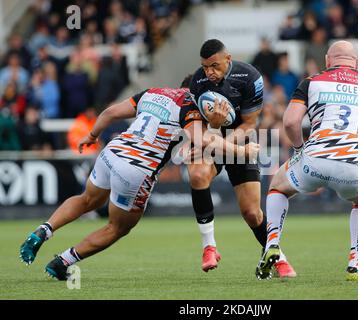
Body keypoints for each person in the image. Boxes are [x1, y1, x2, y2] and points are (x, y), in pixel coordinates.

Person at [19, 77, 258, 280]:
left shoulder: (153, 93)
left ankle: (44, 230)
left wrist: (92, 135)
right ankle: (62, 262)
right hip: (136, 169)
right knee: (117, 227)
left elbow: (110, 112)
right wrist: (242, 150)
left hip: (111, 152)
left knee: (86, 200)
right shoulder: (191, 109)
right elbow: (205, 141)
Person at [255, 41, 358, 281]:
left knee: (277, 185)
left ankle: (272, 243)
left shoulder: (311, 82)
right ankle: (355, 263)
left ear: (328, 60)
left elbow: (290, 122)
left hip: (314, 162)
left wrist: (298, 150)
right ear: (356, 63)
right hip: (353, 169)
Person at [188, 39, 296, 277]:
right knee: (197, 175)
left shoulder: (250, 77)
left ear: (228, 59)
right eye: (206, 67)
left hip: (240, 140)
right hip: (211, 137)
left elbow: (249, 124)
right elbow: (199, 128)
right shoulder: (197, 81)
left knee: (252, 213)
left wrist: (226, 143)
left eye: (215, 66)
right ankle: (209, 246)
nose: (210, 72)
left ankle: (278, 257)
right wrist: (211, 131)